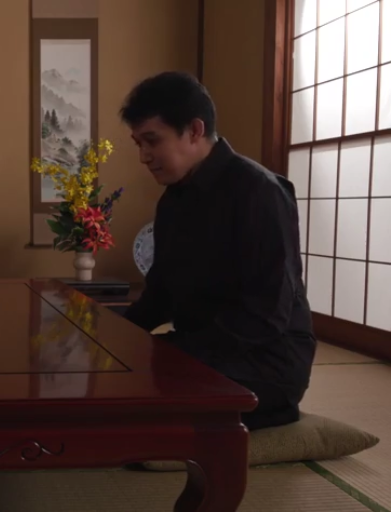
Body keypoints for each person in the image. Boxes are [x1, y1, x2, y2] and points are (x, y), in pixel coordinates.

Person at [119, 71, 316, 431]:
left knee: (137, 397)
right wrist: (111, 336)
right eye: (138, 144)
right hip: (203, 348)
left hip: (266, 360)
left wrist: (179, 353)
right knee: (120, 373)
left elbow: (267, 313)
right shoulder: (173, 200)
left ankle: (264, 412)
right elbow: (160, 295)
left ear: (194, 130)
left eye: (152, 140)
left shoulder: (259, 191)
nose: (144, 156)